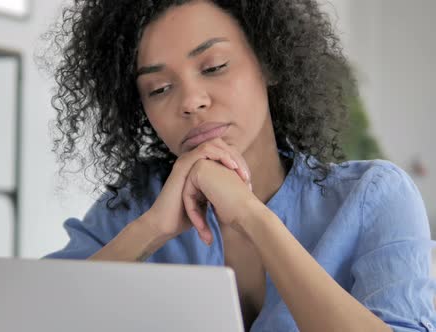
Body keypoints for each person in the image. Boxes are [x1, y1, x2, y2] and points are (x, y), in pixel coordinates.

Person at [41, 0, 436, 330]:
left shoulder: (374, 195)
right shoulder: (135, 207)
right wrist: (152, 229)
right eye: (159, 89)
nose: (190, 101)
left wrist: (252, 216)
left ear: (269, 62)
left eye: (213, 67)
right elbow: (37, 317)